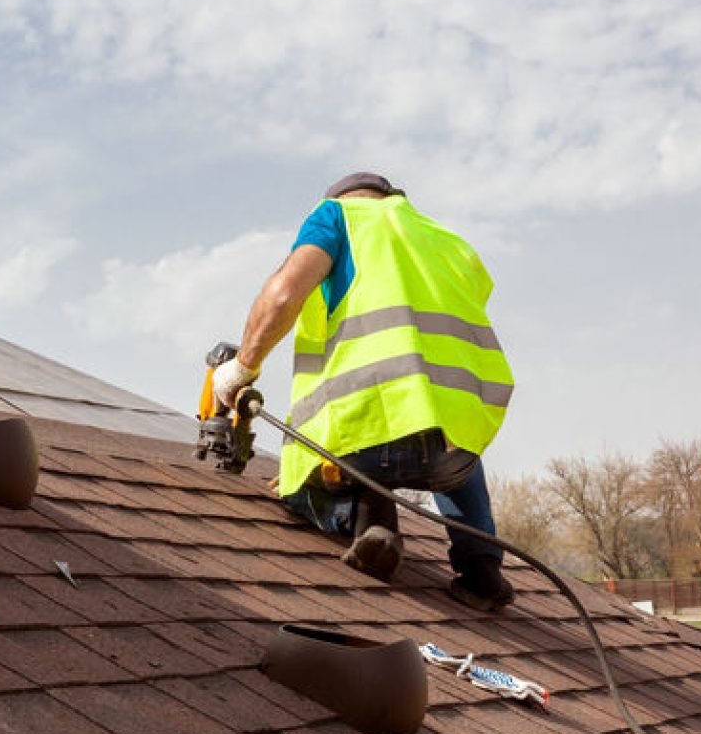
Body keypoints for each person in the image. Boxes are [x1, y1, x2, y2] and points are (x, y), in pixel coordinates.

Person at [212, 171, 515, 610]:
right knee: (451, 447)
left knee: (299, 486)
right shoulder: (444, 239)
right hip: (457, 440)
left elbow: (282, 295)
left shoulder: (337, 217)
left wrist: (241, 368)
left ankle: (372, 523)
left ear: (345, 199)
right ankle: (482, 568)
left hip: (368, 434)